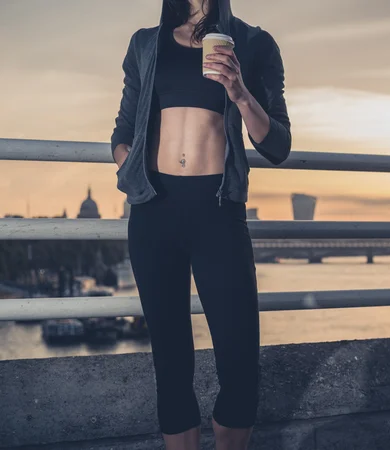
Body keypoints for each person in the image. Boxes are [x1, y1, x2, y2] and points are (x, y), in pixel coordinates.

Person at [110, 0, 292, 448]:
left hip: (218, 212)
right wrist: (131, 173)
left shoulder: (253, 43)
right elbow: (123, 130)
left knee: (240, 365)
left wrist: (240, 92)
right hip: (154, 211)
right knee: (171, 365)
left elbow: (279, 145)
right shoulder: (145, 44)